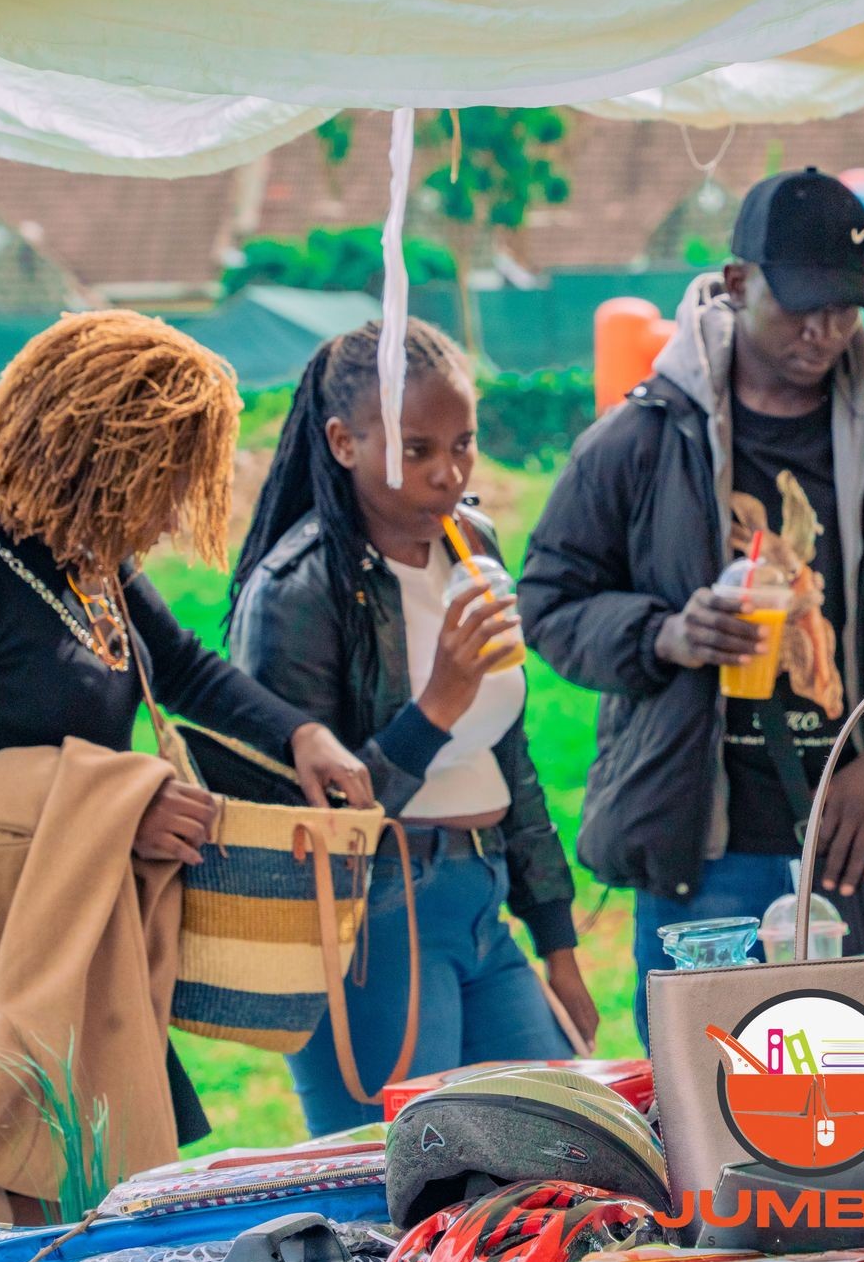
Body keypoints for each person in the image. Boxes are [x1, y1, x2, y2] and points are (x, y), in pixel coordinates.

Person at [0, 311, 373, 1195]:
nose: (174, 513)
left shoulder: (91, 559)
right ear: (97, 456)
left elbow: (186, 672)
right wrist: (110, 817)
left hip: (94, 950)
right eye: (167, 480)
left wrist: (300, 733)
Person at [518, 168, 864, 1044]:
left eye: (844, 309)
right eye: (798, 306)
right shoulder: (641, 441)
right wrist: (666, 635)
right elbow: (550, 599)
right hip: (707, 855)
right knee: (711, 1118)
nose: (823, 331)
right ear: (736, 284)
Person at [227, 318, 593, 1136]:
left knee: (554, 1155)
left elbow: (509, 753)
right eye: (418, 450)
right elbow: (290, 823)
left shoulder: (474, 544)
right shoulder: (299, 589)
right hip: (374, 915)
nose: (448, 474)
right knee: (402, 1194)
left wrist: (557, 940)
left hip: (481, 895)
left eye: (462, 445)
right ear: (343, 442)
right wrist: (436, 705)